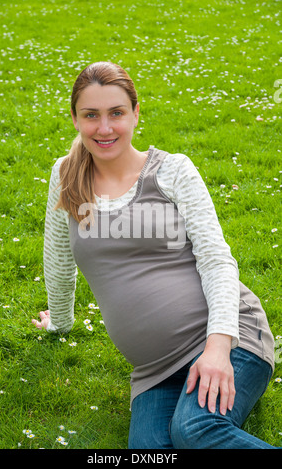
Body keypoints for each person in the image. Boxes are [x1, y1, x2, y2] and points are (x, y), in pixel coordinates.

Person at [32, 61, 278, 449]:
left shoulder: (172, 170)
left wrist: (217, 349)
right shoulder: (65, 176)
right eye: (91, 115)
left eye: (116, 113)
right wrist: (59, 324)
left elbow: (217, 261)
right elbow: (60, 260)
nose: (105, 128)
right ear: (75, 119)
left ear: (135, 113)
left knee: (194, 431)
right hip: (154, 371)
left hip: (228, 338)